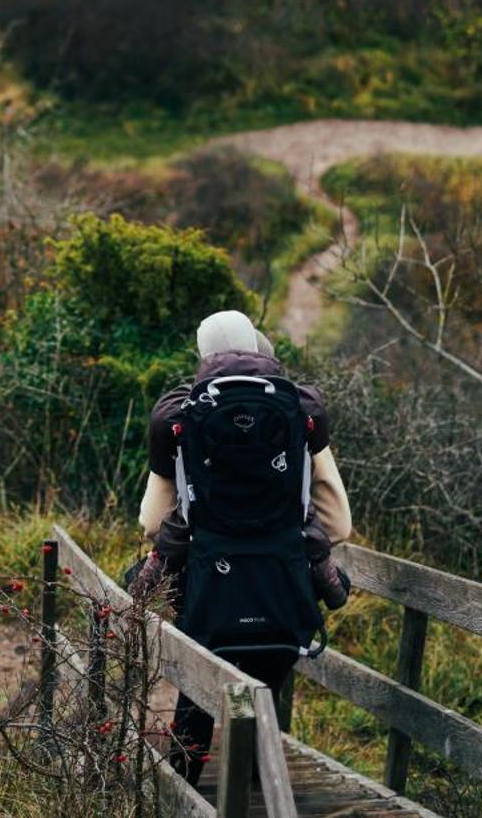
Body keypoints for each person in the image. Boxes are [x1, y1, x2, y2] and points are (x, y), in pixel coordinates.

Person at [130, 309, 353, 784]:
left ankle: (185, 789)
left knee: (199, 692)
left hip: (208, 590)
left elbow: (152, 521)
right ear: (258, 346)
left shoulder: (176, 413)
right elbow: (339, 523)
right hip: (282, 587)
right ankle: (258, 783)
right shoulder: (301, 407)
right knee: (264, 688)